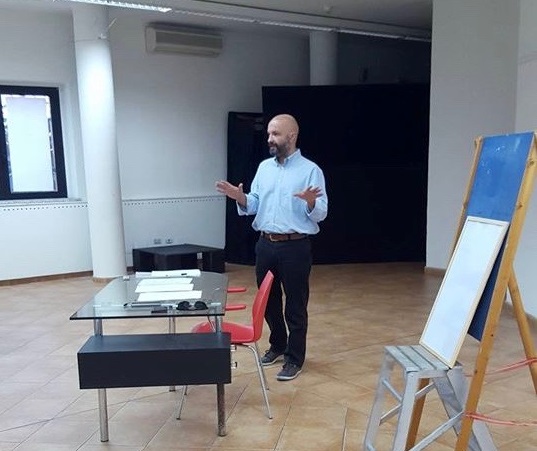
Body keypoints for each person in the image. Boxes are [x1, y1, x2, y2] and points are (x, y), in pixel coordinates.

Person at [216, 113, 328, 381]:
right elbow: (254, 203)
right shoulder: (264, 168)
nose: (270, 139)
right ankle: (278, 345)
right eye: (268, 134)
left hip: (295, 247)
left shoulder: (310, 171)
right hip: (265, 244)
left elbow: (321, 212)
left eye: (275, 134)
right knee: (268, 301)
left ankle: (294, 358)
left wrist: (311, 202)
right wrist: (240, 197)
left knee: (295, 305)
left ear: (292, 135)